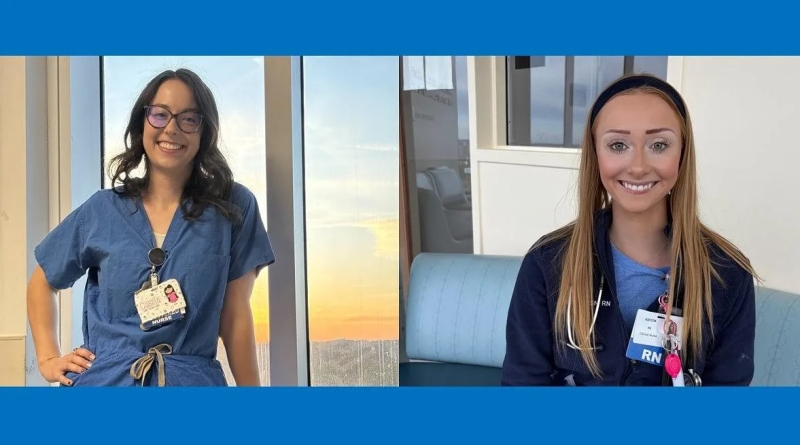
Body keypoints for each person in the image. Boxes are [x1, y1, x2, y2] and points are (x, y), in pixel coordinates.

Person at [501, 74, 758, 386]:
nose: (637, 166)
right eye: (618, 145)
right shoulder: (547, 263)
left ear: (682, 154)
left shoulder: (727, 273)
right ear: (596, 155)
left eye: (659, 144)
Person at [27, 68, 275, 387]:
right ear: (142, 122)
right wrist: (48, 359)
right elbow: (41, 282)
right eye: (160, 115)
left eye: (189, 118)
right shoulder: (102, 209)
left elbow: (236, 315)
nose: (171, 129)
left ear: (204, 131)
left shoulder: (233, 206)